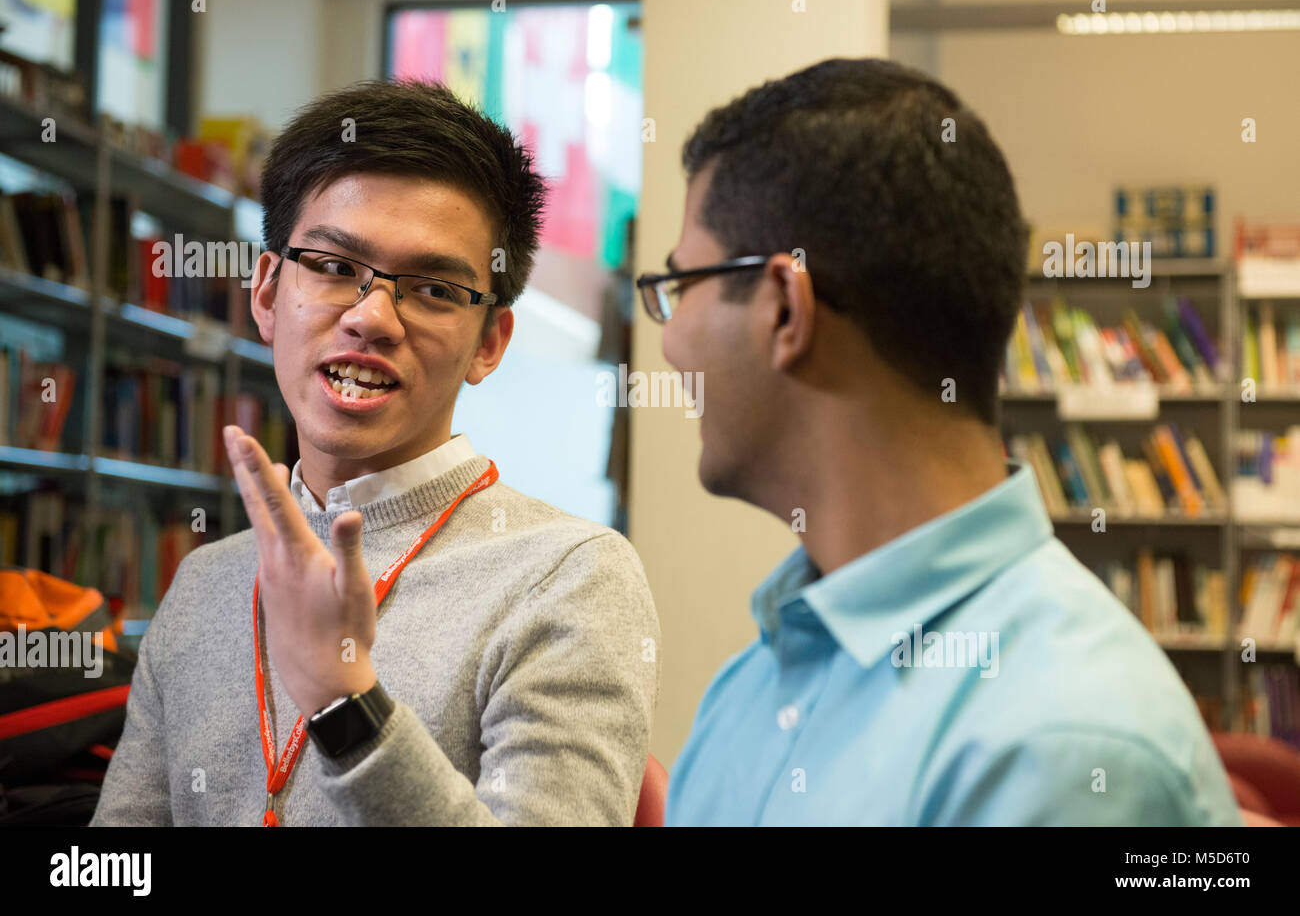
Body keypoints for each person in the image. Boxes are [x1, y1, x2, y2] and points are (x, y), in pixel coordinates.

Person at [642, 58, 1242, 825]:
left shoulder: (1063, 746)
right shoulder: (756, 682)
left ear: (785, 311)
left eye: (680, 284)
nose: (670, 345)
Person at [91, 79, 660, 826]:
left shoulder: (570, 577)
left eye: (431, 288)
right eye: (331, 268)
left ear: (489, 341)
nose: (371, 317)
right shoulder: (204, 583)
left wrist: (349, 710)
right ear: (266, 294)